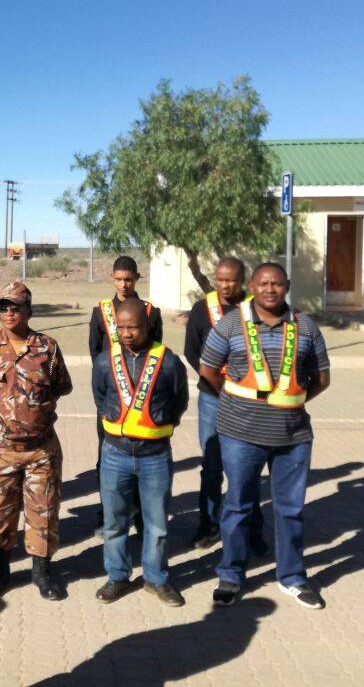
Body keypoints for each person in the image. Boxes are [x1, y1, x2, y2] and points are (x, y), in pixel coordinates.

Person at [199, 262, 331, 610]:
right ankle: (231, 575)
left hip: (293, 435)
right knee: (238, 505)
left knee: (290, 509)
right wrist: (236, 403)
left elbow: (321, 379)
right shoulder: (230, 324)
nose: (270, 290)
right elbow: (208, 370)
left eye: (277, 284)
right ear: (252, 287)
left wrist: (287, 402)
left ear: (287, 285)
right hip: (240, 434)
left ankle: (292, 577)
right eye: (263, 284)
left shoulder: (306, 326)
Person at [0, 281, 72, 601]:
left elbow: (61, 387)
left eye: (15, 307)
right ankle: (0, 570)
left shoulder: (47, 347)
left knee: (43, 512)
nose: (9, 313)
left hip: (40, 449)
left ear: (28, 311)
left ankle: (42, 572)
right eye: (3, 308)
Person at [92, 299, 188, 607]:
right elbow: (99, 396)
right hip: (115, 454)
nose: (127, 333)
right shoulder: (105, 361)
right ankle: (117, 576)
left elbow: (180, 400)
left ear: (147, 327)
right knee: (114, 521)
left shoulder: (169, 361)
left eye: (133, 327)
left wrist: (160, 422)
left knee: (157, 523)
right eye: (121, 327)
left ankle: (156, 578)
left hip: (155, 455)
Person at [183, 257, 268, 554]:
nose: (224, 285)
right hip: (212, 397)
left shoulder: (257, 307)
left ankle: (252, 530)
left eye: (230, 280)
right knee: (211, 464)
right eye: (219, 279)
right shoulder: (202, 308)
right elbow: (191, 351)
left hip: (248, 400)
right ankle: (207, 525)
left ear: (243, 280)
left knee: (248, 466)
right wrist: (215, 382)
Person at [88, 256, 162, 530]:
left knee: (143, 454)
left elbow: (157, 353)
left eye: (128, 279)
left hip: (142, 393)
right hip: (111, 395)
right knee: (107, 454)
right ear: (112, 278)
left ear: (137, 278)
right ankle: (107, 511)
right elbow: (95, 353)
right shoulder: (101, 311)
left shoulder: (151, 312)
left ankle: (141, 513)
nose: (123, 284)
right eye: (118, 279)